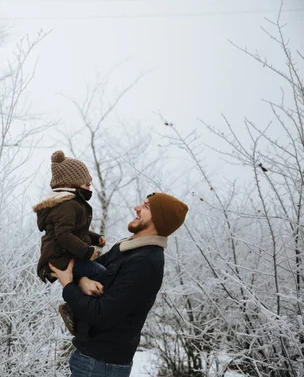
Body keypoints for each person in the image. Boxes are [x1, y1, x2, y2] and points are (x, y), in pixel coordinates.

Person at [50, 192, 188, 377]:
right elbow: (91, 272)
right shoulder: (127, 249)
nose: (136, 207)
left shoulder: (145, 262)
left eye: (146, 206)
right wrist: (83, 281)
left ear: (160, 219)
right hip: (92, 360)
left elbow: (102, 315)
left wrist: (68, 285)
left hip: (101, 365)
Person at [33, 150, 106, 333]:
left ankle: (76, 309)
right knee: (102, 273)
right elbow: (64, 235)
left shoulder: (70, 204)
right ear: (72, 183)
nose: (90, 186)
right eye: (86, 182)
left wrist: (95, 238)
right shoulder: (68, 205)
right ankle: (76, 310)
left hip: (64, 254)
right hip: (60, 257)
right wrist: (88, 251)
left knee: (96, 273)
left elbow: (77, 232)